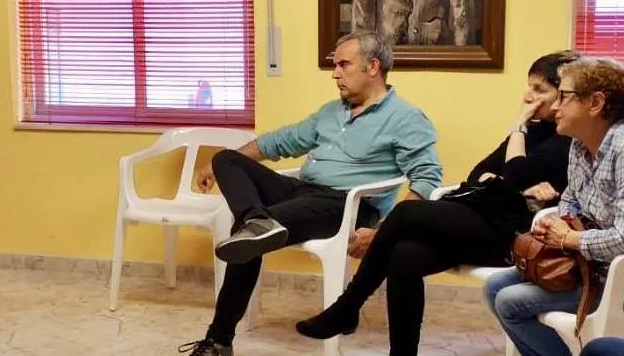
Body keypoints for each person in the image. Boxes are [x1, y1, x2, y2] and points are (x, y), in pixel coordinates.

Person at [295, 50, 579, 356]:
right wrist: (508, 180)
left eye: (539, 90)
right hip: (486, 219)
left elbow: (513, 175)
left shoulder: (565, 138)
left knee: (407, 212)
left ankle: (348, 306)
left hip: (519, 237)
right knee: (404, 255)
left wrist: (518, 130)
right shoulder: (535, 131)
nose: (528, 97)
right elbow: (479, 173)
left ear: (563, 95)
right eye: (529, 87)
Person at [178, 31, 443, 356]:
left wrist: (382, 232)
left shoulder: (406, 119)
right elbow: (281, 141)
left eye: (344, 64)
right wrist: (214, 166)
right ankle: (257, 221)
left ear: (373, 67)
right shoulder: (331, 112)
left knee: (246, 233)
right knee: (226, 159)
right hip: (302, 192)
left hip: (346, 205)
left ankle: (219, 341)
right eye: (335, 65)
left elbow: (426, 178)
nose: (335, 73)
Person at [485, 58, 624, 356]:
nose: (555, 107)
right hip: (597, 266)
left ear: (595, 103)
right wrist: (555, 223)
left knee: (510, 302)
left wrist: (569, 238)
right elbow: (570, 201)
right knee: (495, 286)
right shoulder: (580, 144)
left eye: (564, 97)